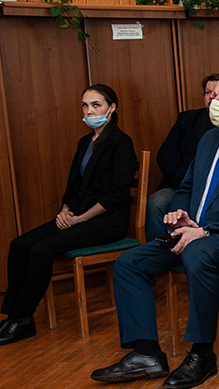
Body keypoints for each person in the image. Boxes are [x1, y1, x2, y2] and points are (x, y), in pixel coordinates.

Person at [91, 68, 219, 389]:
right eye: (214, 96)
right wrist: (179, 212)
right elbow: (184, 186)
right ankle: (146, 353)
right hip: (193, 232)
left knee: (198, 253)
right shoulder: (210, 139)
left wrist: (205, 231)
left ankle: (202, 354)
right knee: (130, 263)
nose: (214, 102)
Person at [0, 85, 137, 346]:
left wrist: (81, 218)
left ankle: (23, 320)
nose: (89, 111)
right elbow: (74, 185)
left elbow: (117, 195)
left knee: (41, 251)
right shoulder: (85, 142)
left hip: (107, 222)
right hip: (77, 217)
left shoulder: (121, 142)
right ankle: (12, 316)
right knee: (19, 245)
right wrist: (66, 210)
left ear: (112, 108)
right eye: (85, 105)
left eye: (96, 105)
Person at [147, 73, 219, 241]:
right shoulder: (187, 119)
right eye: (208, 92)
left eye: (217, 94)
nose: (211, 97)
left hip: (214, 192)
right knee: (157, 202)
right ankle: (159, 255)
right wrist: (187, 183)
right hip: (180, 186)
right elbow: (165, 155)